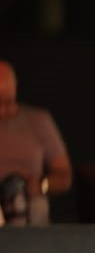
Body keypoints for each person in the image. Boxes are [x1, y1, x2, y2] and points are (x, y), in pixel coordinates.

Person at [0, 60, 72, 225]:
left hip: (31, 213)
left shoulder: (38, 121)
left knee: (36, 208)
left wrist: (41, 185)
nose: (3, 110)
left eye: (8, 101)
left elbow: (64, 176)